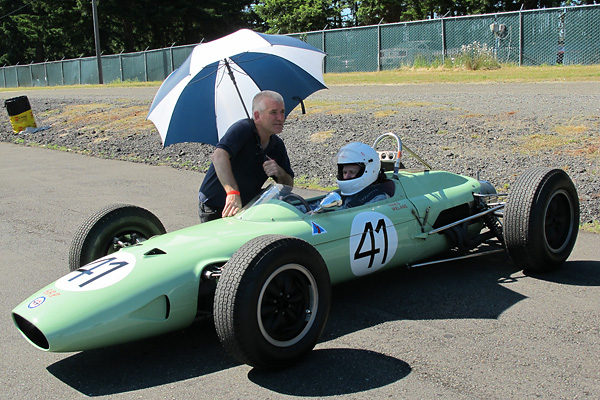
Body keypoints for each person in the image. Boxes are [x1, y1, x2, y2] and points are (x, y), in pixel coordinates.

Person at [198, 90, 294, 222]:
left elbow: (288, 185)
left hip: (247, 209)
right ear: (257, 116)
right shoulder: (242, 129)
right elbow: (218, 156)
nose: (280, 118)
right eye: (273, 112)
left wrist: (279, 172)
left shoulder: (277, 145)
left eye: (282, 112)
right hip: (216, 205)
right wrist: (232, 192)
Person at [335, 142, 390, 209]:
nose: (346, 176)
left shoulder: (378, 200)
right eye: (344, 172)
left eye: (352, 172)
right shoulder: (337, 195)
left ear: (368, 171)